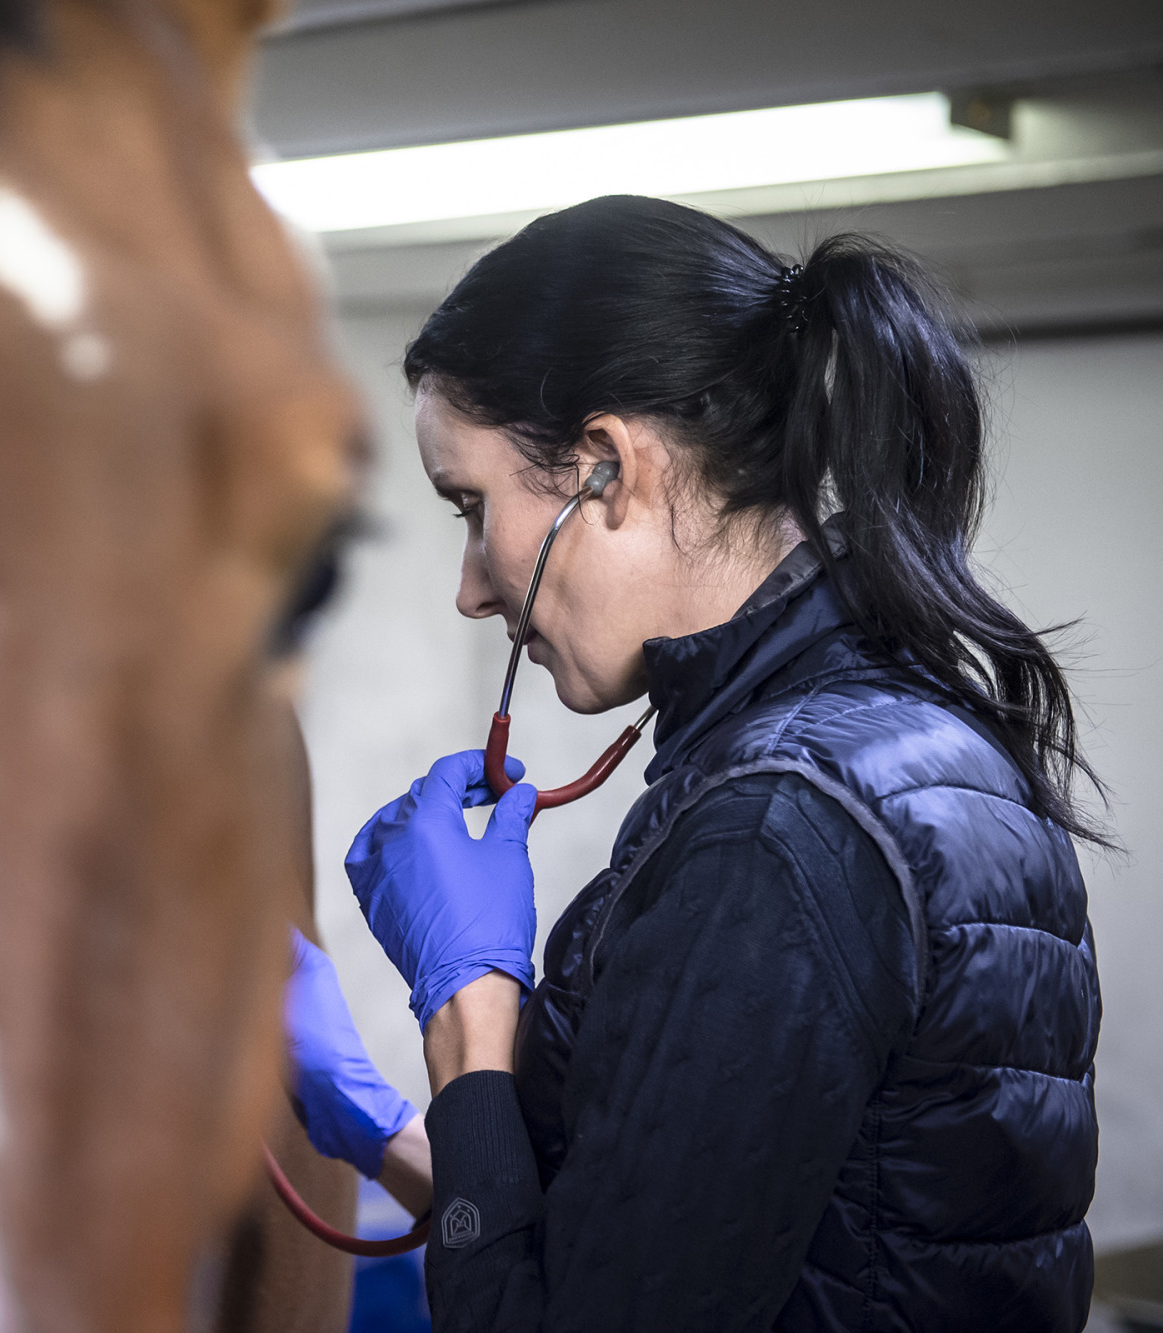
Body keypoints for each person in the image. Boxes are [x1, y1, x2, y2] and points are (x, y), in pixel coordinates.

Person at [282, 195, 1102, 1332]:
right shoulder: (904, 743)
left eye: (472, 507)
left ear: (604, 468)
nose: (468, 586)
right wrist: (378, 1128)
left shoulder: (774, 828)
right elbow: (666, 1248)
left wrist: (468, 1010)